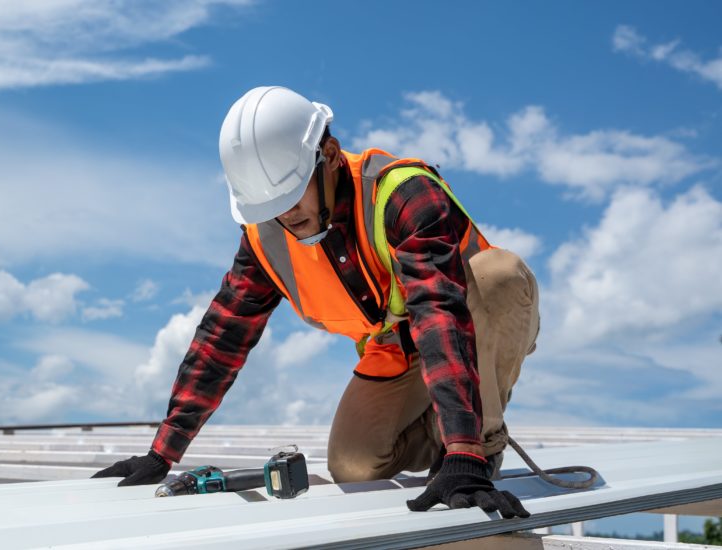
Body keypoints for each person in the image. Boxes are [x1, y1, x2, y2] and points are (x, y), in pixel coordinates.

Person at [93, 86, 538, 518]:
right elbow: (222, 338)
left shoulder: (403, 192)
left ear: (327, 156)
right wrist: (162, 453)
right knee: (355, 465)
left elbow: (439, 313)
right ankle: (450, 428)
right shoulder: (266, 237)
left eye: (291, 195)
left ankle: (478, 442)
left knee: (496, 275)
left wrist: (464, 452)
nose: (285, 216)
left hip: (471, 321)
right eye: (270, 206)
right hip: (399, 349)